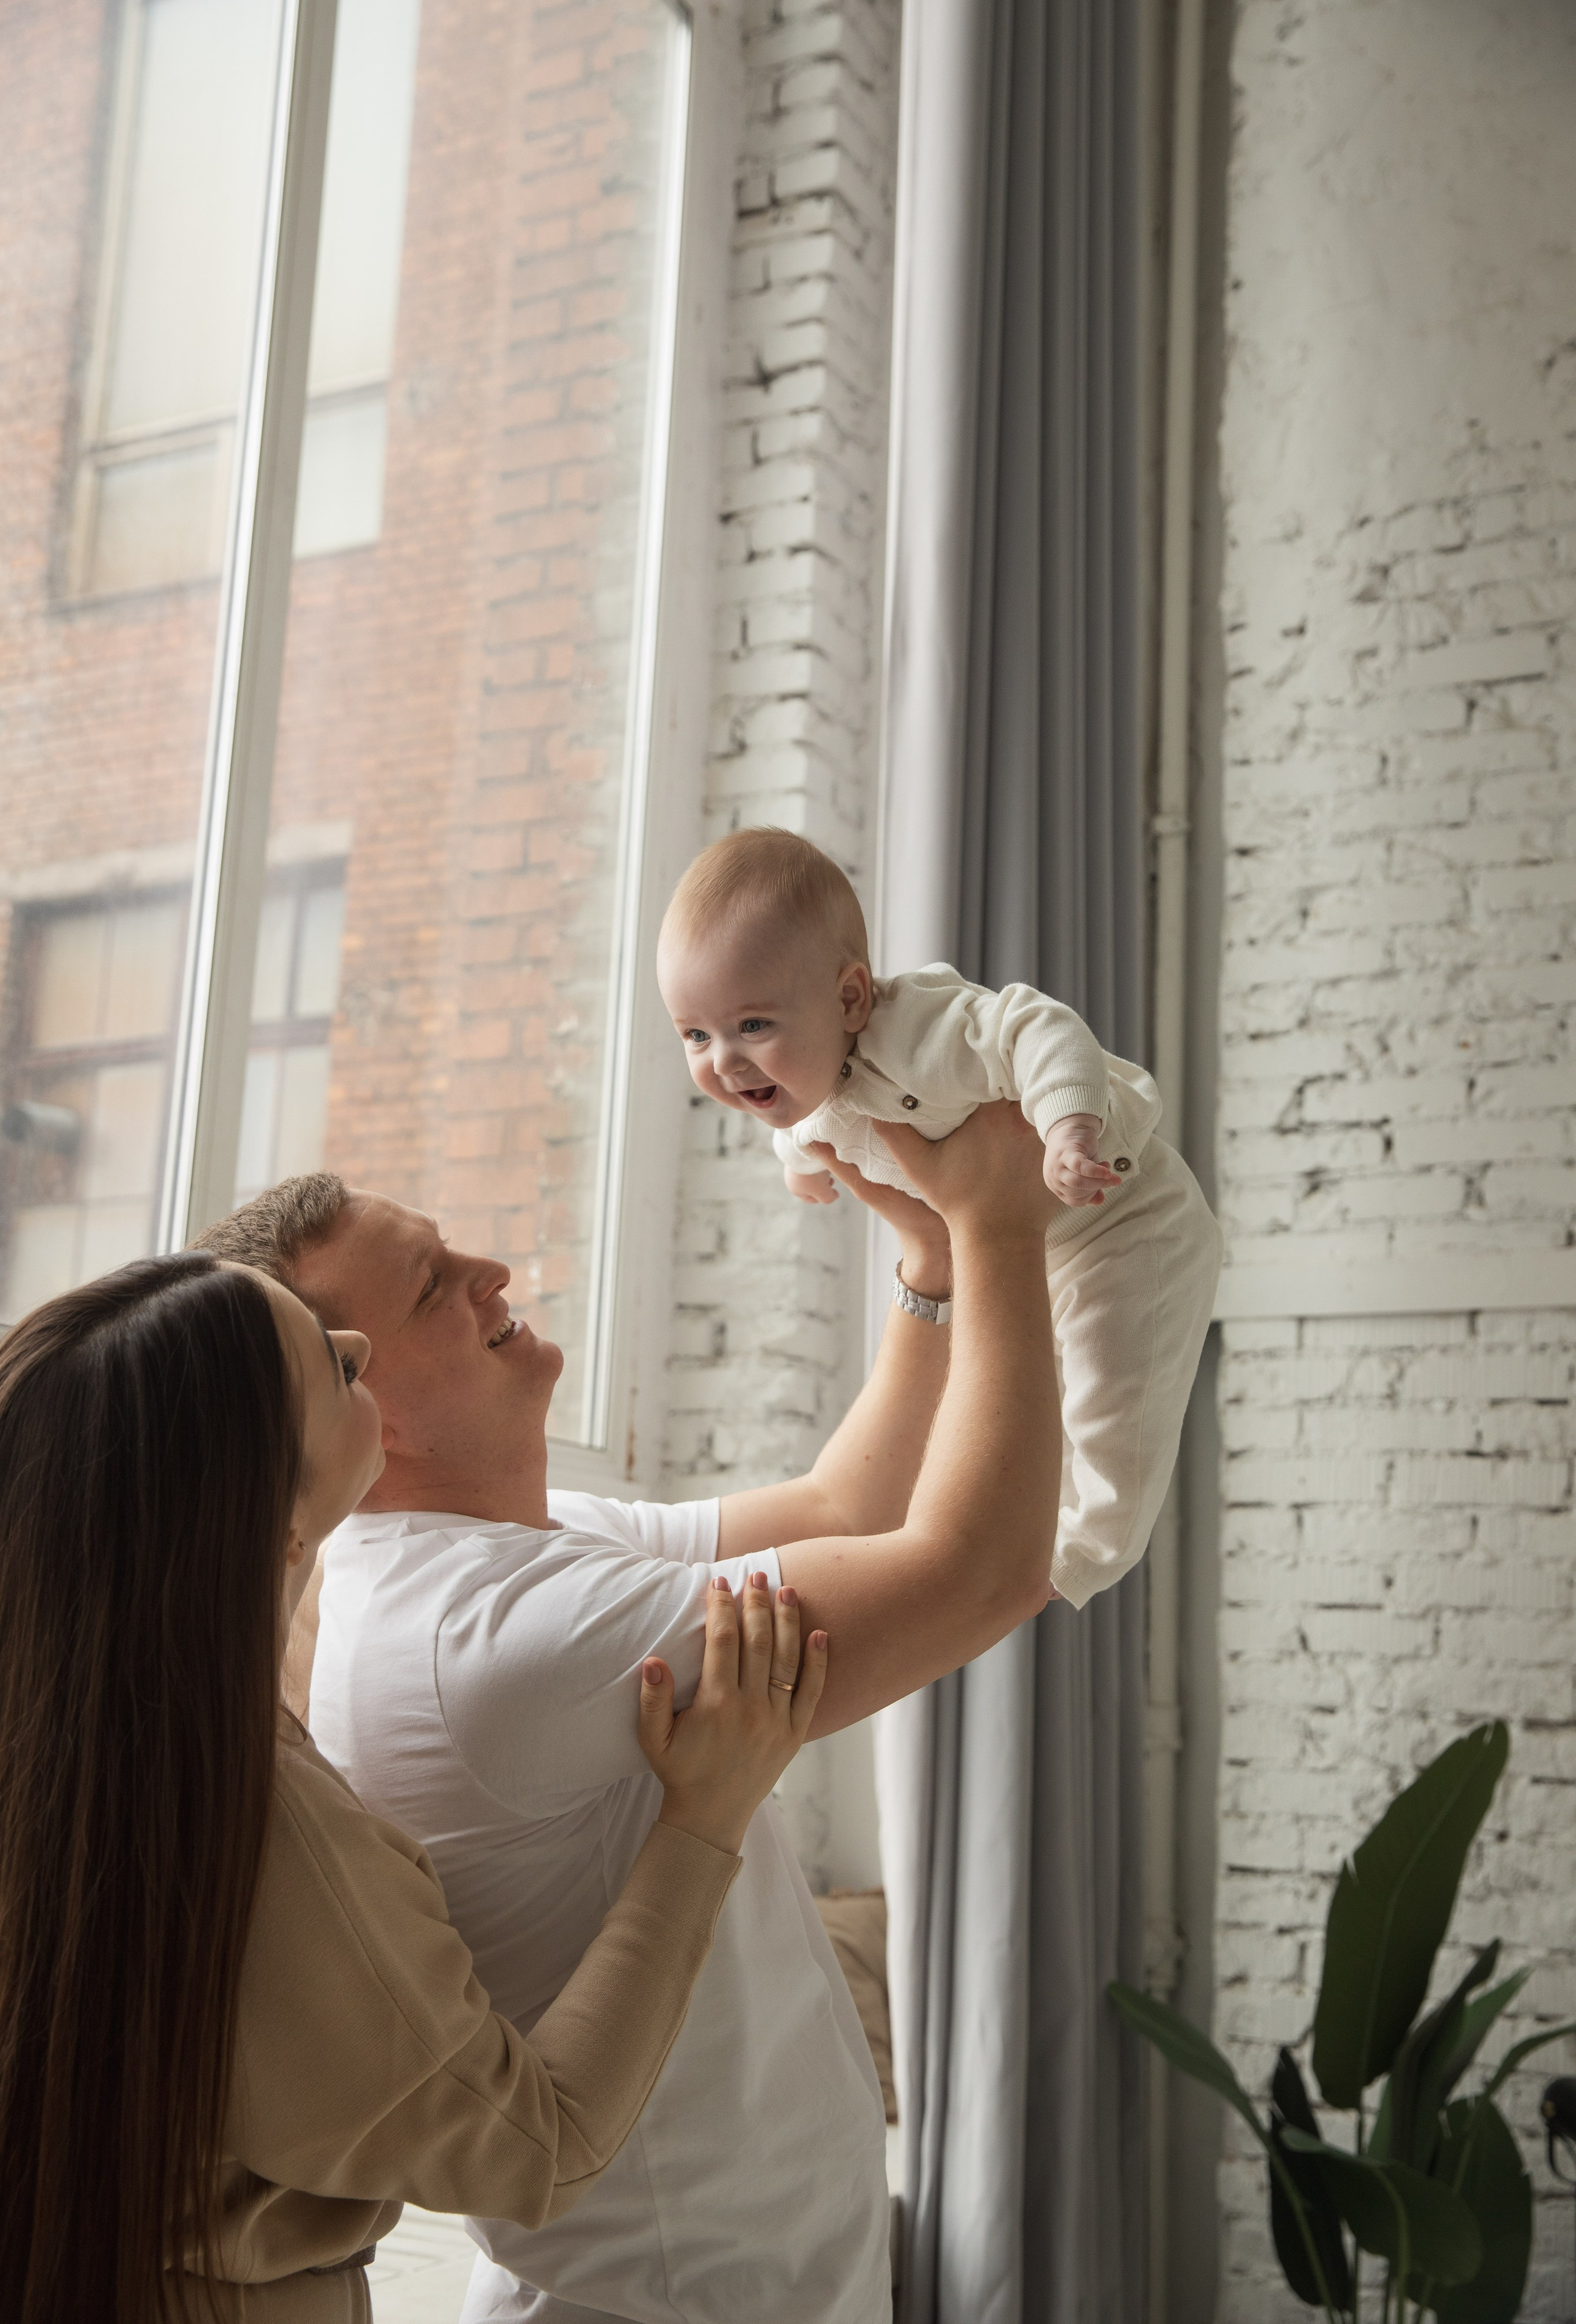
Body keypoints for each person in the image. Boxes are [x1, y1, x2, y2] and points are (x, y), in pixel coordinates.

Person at [195, 1087, 1061, 2324]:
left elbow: (837, 1513)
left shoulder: (524, 1554)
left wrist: (928, 1266)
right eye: (434, 1280)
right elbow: (978, 1571)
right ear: (356, 1400)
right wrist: (1002, 1230)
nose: (491, 1270)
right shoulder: (485, 1642)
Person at [0, 1252, 826, 2324]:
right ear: (272, 1517)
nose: (363, 1353)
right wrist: (703, 1820)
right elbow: (544, 2144)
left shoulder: (79, 1739)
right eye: (338, 1371)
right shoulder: (263, 1839)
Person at [657, 825, 1223, 1607]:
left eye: (752, 1026)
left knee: (1110, 1413)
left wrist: (1066, 1128)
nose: (724, 1060)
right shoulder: (803, 1086)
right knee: (1024, 1417)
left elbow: (1036, 1027)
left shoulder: (919, 1032)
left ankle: (1069, 1566)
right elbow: (796, 1127)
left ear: (851, 997)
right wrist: (797, 1170)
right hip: (1031, 1247)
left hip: (1126, 1223)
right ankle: (1010, 1552)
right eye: (695, 1034)